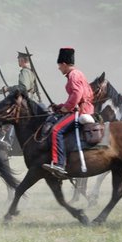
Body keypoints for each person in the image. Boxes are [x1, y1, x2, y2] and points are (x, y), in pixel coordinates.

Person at [42, 47, 94, 177]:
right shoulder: (77, 73)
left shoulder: (73, 75)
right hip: (80, 108)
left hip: (81, 111)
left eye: (59, 65)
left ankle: (59, 164)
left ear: (64, 64)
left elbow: (77, 94)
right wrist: (60, 107)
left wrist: (66, 108)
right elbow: (74, 97)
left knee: (56, 130)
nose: (59, 68)